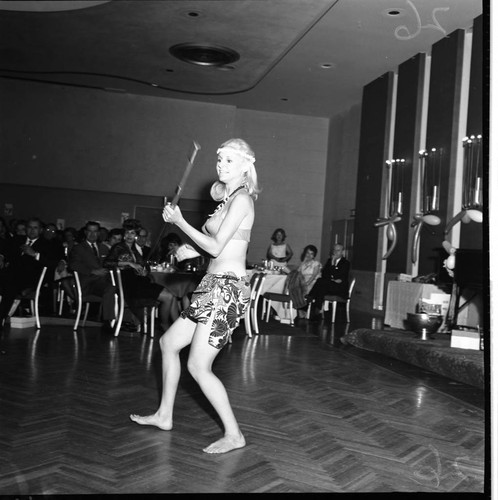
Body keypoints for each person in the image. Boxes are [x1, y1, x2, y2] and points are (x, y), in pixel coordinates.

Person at [130, 138, 259, 454]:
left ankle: (234, 434)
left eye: (229, 161)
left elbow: (218, 248)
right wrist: (192, 247)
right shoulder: (226, 201)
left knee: (199, 366)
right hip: (212, 285)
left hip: (228, 291)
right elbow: (215, 244)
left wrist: (179, 222)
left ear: (245, 166)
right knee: (168, 344)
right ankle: (164, 414)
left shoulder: (242, 200)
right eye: (220, 160)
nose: (221, 165)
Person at [103, 218, 177, 330]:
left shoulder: (135, 250)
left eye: (132, 233)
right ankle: (165, 325)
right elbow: (107, 263)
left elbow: (144, 266)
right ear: (124, 234)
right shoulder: (118, 247)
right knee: (168, 296)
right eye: (127, 232)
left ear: (136, 235)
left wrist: (144, 271)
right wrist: (129, 263)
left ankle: (176, 326)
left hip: (139, 282)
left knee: (171, 296)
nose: (129, 235)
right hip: (129, 285)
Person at [0, 217, 65, 325]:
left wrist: (35, 254)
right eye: (30, 227)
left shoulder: (47, 245)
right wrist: (1, 256)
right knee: (7, 281)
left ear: (40, 230)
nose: (32, 230)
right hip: (10, 275)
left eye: (35, 228)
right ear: (26, 229)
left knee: (9, 286)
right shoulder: (17, 240)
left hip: (29, 279)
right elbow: (4, 249)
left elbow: (52, 263)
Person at [67, 220, 116, 329]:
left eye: (95, 231)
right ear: (85, 232)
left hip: (102, 283)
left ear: (99, 233)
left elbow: (109, 263)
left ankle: (111, 321)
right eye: (90, 231)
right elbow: (73, 265)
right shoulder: (78, 248)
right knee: (111, 288)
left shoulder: (103, 248)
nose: (92, 234)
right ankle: (109, 321)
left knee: (114, 288)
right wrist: (92, 271)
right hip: (87, 283)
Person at [307, 243, 350, 320]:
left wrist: (333, 264)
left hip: (339, 288)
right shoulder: (329, 261)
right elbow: (325, 274)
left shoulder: (346, 263)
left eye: (338, 250)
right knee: (321, 282)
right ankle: (317, 306)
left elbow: (339, 277)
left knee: (321, 283)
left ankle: (311, 298)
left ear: (342, 252)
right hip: (328, 285)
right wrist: (333, 276)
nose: (336, 252)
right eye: (334, 250)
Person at [288, 245, 322, 318]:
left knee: (302, 290)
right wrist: (303, 261)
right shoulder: (303, 263)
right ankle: (296, 310)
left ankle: (303, 309)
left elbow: (314, 276)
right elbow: (297, 273)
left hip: (313, 283)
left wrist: (307, 284)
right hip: (303, 282)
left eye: (311, 254)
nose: (309, 255)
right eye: (307, 253)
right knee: (293, 288)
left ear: (314, 255)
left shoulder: (316, 263)